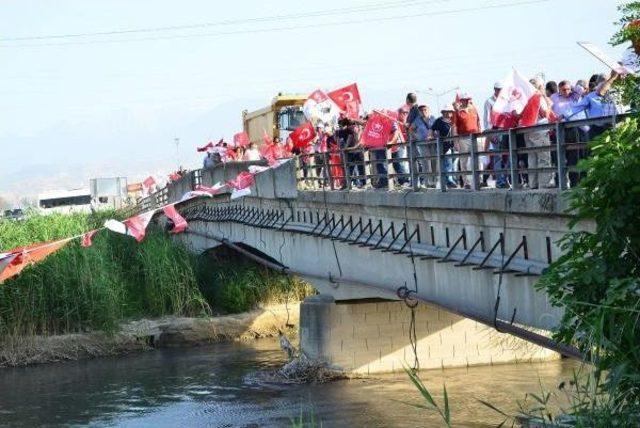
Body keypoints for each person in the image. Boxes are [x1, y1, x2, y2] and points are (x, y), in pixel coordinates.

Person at [551, 80, 588, 187]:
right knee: (560, 157)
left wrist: (571, 87)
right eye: (564, 90)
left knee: (575, 157)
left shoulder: (574, 96)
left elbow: (581, 88)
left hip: (575, 129)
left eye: (568, 89)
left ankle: (575, 182)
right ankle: (560, 183)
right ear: (559, 90)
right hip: (561, 129)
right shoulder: (555, 97)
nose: (567, 91)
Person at [522, 77, 554, 189]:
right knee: (544, 157)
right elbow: (545, 114)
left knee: (532, 157)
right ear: (540, 86)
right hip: (540, 129)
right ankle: (545, 183)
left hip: (527, 129)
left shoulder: (525, 98)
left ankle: (533, 183)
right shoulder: (538, 97)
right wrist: (549, 105)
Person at [574, 70, 620, 138]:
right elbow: (578, 109)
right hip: (598, 128)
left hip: (612, 126)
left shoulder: (614, 93)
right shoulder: (591, 96)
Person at [453, 93, 481, 188]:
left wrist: (479, 134)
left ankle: (478, 180)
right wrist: (455, 141)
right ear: (461, 101)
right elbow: (454, 127)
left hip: (474, 136)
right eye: (465, 99)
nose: (467, 101)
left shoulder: (474, 109)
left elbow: (478, 121)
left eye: (468, 99)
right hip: (463, 137)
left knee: (477, 159)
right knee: (463, 160)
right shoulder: (457, 111)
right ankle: (466, 182)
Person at [430, 104, 458, 188]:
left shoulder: (454, 121)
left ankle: (450, 179)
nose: (448, 114)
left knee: (452, 164)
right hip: (443, 145)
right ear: (443, 112)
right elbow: (432, 129)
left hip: (453, 145)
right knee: (447, 164)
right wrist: (430, 136)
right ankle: (449, 181)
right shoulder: (439, 121)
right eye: (446, 112)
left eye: (449, 112)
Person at [388, 108, 409, 187]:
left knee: (402, 163)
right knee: (398, 163)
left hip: (400, 144)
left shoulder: (405, 120)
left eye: (406, 113)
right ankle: (402, 181)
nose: (405, 114)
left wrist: (403, 142)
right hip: (396, 144)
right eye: (403, 113)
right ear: (399, 113)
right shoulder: (395, 120)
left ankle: (405, 180)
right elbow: (399, 131)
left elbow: (399, 131)